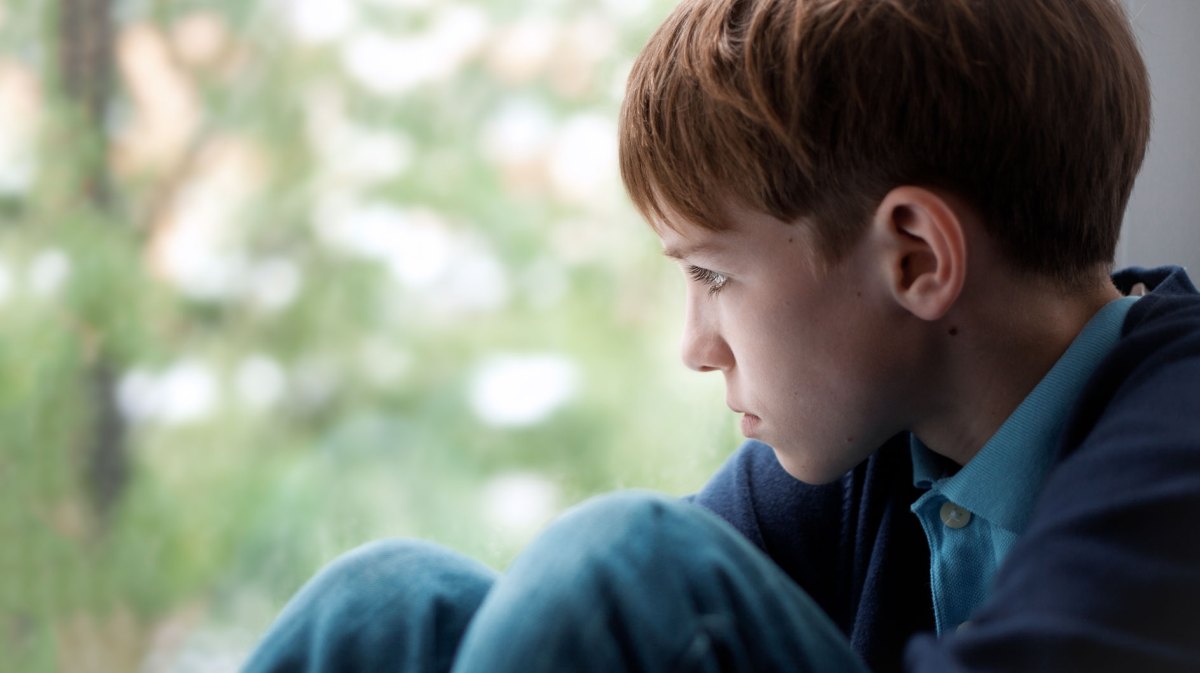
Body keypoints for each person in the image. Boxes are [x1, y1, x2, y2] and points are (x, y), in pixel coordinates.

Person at [241, 0, 1200, 671]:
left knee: (623, 566)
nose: (696, 346)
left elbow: (630, 606)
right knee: (390, 600)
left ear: (913, 257)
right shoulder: (879, 444)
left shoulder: (1177, 437)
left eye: (712, 276)